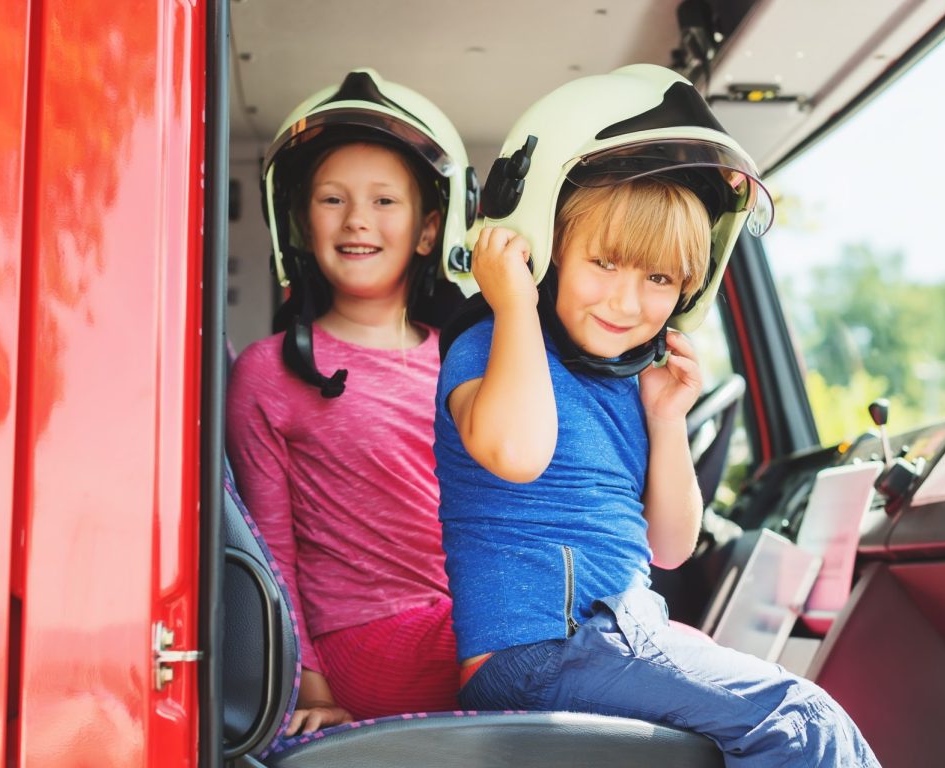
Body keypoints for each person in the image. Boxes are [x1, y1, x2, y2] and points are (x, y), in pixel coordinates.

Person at [434, 65, 880, 766]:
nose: (628, 300)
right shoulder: (490, 346)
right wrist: (514, 299)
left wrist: (668, 420)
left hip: (618, 632)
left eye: (659, 278)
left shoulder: (629, 382)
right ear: (544, 247)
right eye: (606, 262)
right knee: (800, 720)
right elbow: (517, 451)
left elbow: (670, 546)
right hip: (536, 652)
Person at [227, 69, 478, 735]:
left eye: (384, 201)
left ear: (429, 231)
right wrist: (307, 686)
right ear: (303, 224)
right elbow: (267, 548)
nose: (357, 219)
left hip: (464, 625)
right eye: (332, 199)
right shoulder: (270, 372)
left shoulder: (466, 362)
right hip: (364, 645)